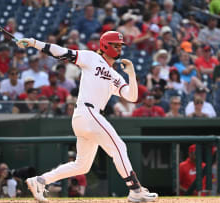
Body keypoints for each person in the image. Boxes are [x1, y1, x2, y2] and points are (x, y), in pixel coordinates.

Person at [16, 31, 158, 202]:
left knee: (81, 165)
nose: (119, 48)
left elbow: (132, 97)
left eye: (120, 45)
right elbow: (62, 52)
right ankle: (135, 190)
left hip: (88, 117)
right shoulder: (91, 58)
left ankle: (40, 181)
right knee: (119, 147)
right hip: (87, 112)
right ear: (105, 45)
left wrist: (132, 75)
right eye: (116, 44)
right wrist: (33, 42)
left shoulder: (115, 76)